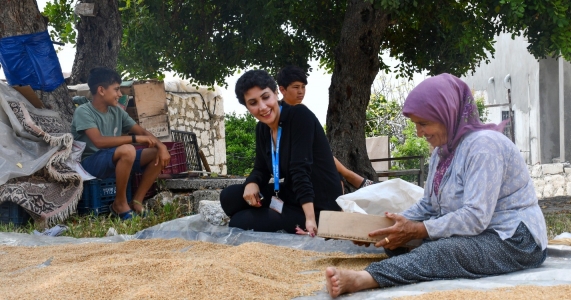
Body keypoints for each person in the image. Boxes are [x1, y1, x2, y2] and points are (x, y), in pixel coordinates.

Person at [325, 73, 548, 298]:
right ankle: (411, 256)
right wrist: (379, 229)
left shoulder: (484, 147)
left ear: (448, 114)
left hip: (514, 240)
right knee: (392, 243)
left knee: (443, 251)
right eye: (416, 124)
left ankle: (364, 278)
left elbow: (475, 217)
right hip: (478, 234)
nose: (419, 133)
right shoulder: (442, 153)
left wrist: (420, 229)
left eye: (423, 123)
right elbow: (428, 206)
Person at [219, 70, 343, 235]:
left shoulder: (299, 116)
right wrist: (252, 183)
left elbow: (300, 170)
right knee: (229, 197)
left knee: (239, 221)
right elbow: (261, 168)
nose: (262, 107)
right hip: (290, 194)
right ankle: (272, 217)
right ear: (247, 107)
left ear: (276, 93)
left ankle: (294, 219)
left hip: (317, 203)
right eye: (253, 102)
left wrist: (311, 219)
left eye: (265, 97)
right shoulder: (262, 129)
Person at [71, 67, 170, 220]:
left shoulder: (117, 111)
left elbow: (143, 132)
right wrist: (134, 139)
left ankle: (136, 201)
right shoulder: (84, 111)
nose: (120, 94)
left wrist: (161, 146)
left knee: (155, 154)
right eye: (116, 89)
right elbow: (99, 142)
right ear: (101, 90)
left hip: (113, 158)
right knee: (128, 150)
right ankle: (119, 203)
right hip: (89, 163)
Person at [276, 65, 374, 190]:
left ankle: (349, 176)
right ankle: (350, 176)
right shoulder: (278, 113)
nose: (301, 91)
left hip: (313, 161)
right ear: (282, 90)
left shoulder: (302, 110)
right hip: (296, 163)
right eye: (296, 87)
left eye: (303, 87)